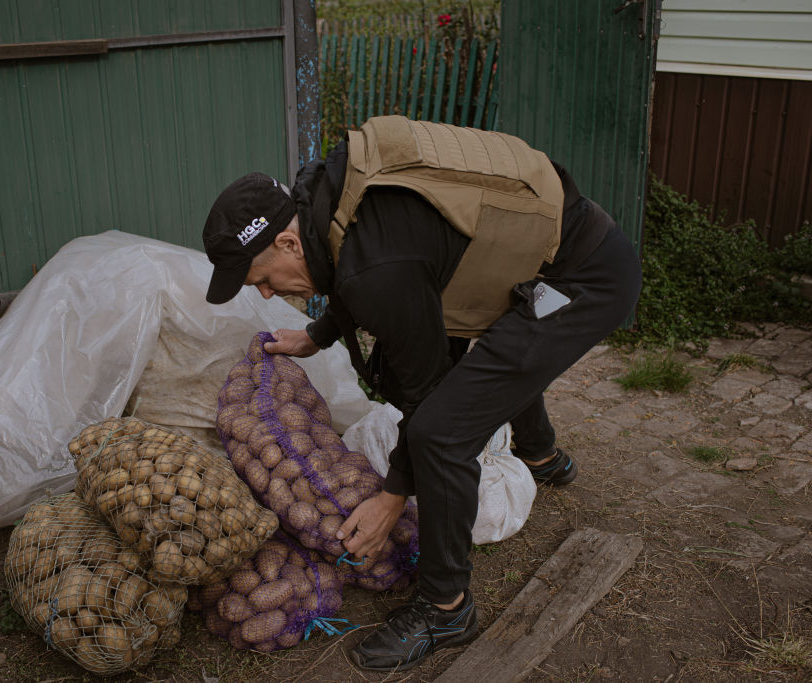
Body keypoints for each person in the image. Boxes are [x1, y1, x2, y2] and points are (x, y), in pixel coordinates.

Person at [201, 116, 642, 671]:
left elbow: (425, 388)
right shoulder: (324, 196)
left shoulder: (373, 268)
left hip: (580, 283)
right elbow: (364, 265)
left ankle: (446, 607)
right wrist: (319, 334)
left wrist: (391, 495)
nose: (266, 292)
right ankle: (541, 454)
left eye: (261, 277)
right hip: (550, 255)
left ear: (287, 240)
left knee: (440, 431)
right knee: (483, 374)